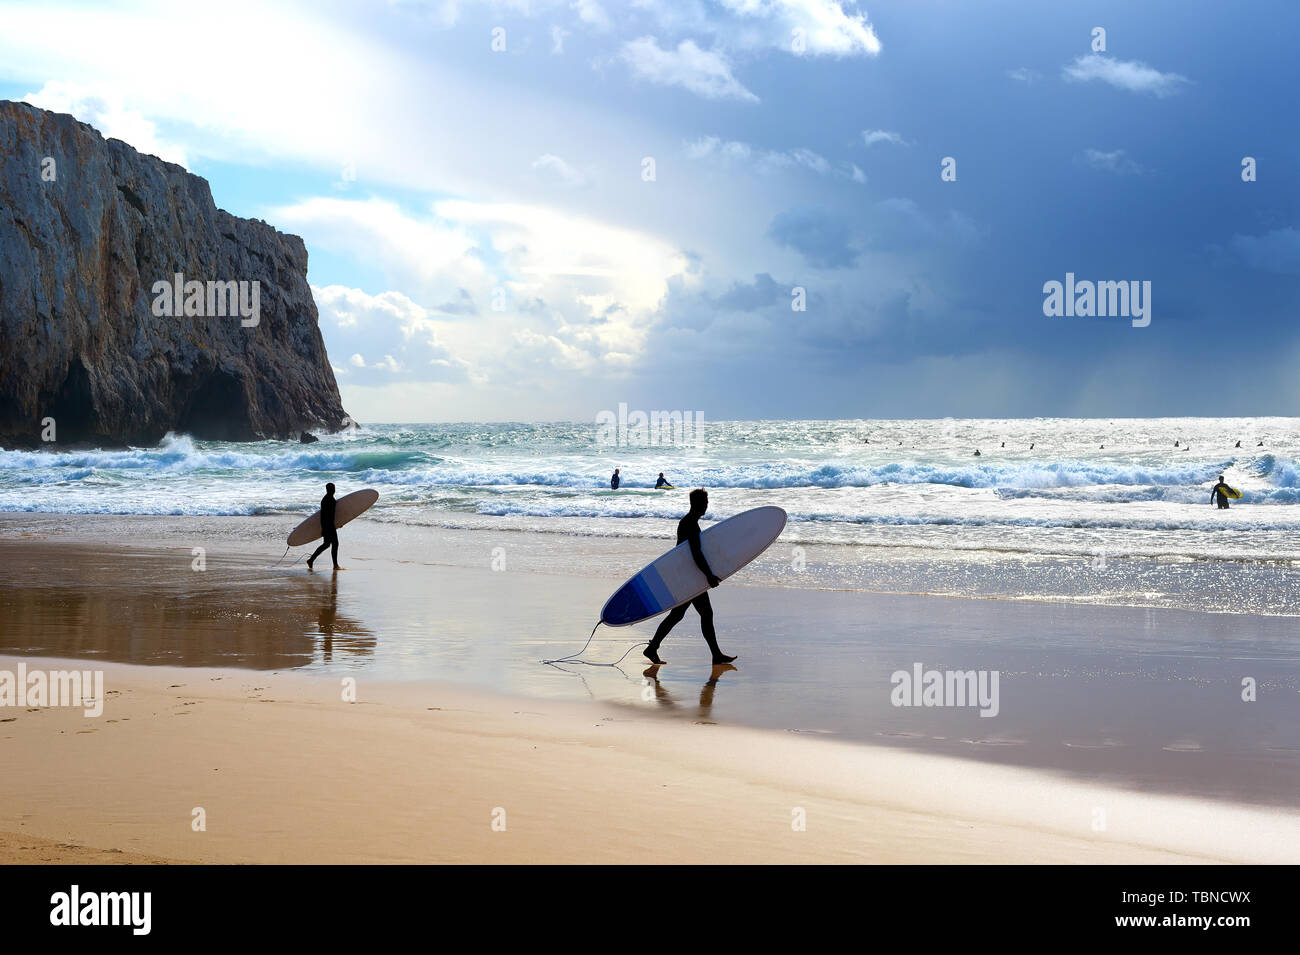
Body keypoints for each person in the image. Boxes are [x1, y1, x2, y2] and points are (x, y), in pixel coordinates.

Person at [644, 489, 735, 666]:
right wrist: (708, 575)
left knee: (678, 615)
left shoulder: (688, 522)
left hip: (687, 575)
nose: (707, 505)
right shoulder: (690, 524)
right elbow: (695, 553)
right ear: (698, 504)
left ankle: (653, 647)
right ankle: (716, 655)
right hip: (690, 577)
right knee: (703, 613)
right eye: (705, 502)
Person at [307, 482, 342, 570]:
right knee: (334, 544)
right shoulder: (328, 500)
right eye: (332, 489)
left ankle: (311, 560)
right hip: (329, 525)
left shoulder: (328, 498)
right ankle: (335, 565)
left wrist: (338, 523)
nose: (334, 490)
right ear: (329, 490)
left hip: (329, 525)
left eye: (334, 488)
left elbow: (331, 515)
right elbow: (325, 515)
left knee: (326, 544)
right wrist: (326, 528)